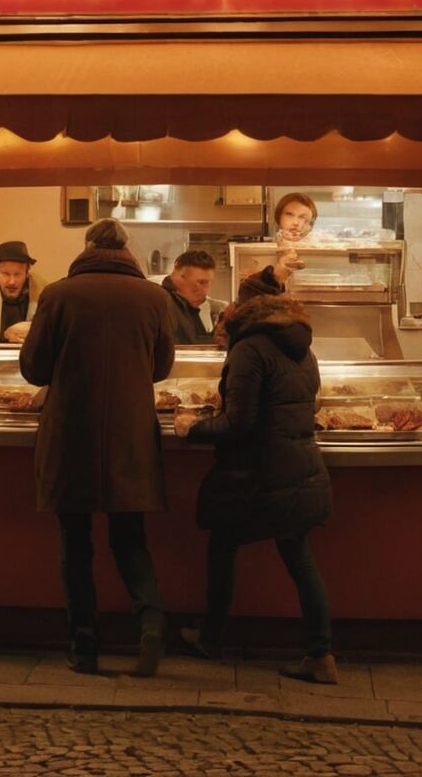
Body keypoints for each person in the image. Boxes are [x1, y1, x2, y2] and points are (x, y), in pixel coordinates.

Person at [19, 218, 175, 677]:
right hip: (130, 434)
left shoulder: (60, 294)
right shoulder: (154, 297)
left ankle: (84, 647)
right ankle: (150, 625)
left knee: (76, 543)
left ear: (87, 247)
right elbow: (162, 367)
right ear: (127, 250)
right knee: (131, 539)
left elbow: (33, 368)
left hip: (72, 433)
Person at [173, 293, 336, 684]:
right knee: (298, 557)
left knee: (222, 545)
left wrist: (190, 428)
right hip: (299, 467)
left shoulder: (249, 350)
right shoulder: (302, 348)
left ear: (237, 323)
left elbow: (238, 424)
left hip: (257, 474)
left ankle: (212, 638)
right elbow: (304, 404)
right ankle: (321, 652)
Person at [238, 192, 318, 300]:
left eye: (302, 217)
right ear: (278, 218)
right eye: (289, 215)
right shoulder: (260, 252)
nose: (295, 222)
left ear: (310, 225)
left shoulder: (316, 250)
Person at [160, 249, 228, 345]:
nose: (205, 290)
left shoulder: (187, 306)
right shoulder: (164, 305)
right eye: (201, 282)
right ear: (179, 277)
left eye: (209, 283)